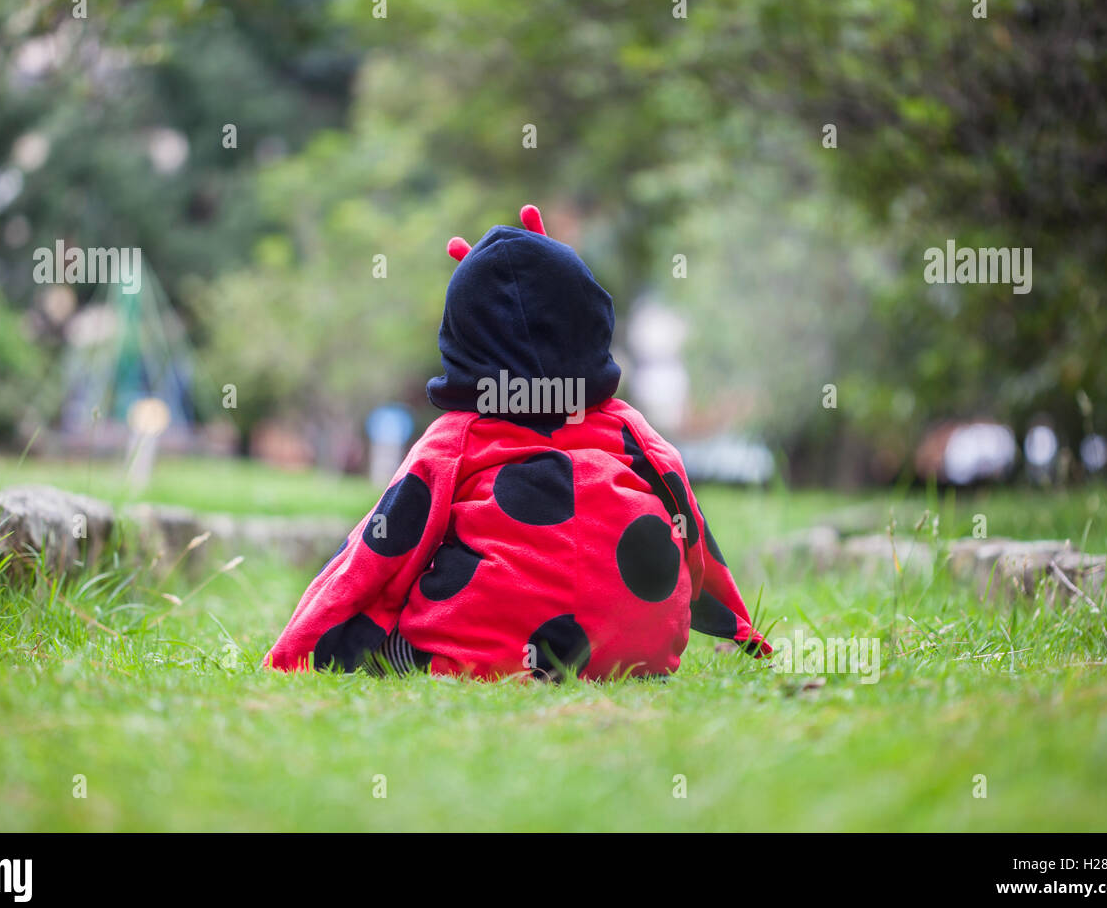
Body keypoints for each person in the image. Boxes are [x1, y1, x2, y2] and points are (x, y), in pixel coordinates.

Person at [266, 205, 770, 680]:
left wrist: (295, 648)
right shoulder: (628, 426)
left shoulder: (457, 438)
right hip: (645, 652)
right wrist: (740, 627)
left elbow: (382, 544)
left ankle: (447, 649)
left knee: (395, 640)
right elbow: (690, 520)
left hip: (489, 652)